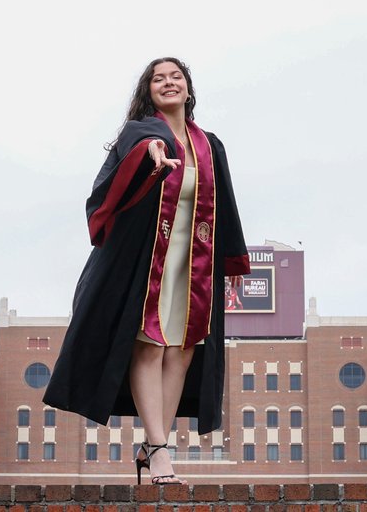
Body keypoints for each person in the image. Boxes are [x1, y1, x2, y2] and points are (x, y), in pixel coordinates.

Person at [44, 57, 250, 484]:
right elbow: (132, 162)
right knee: (150, 345)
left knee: (184, 348)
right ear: (149, 91)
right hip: (145, 258)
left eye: (176, 77)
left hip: (193, 261)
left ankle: (154, 445)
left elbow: (225, 204)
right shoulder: (140, 133)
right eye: (159, 78)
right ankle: (159, 452)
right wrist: (150, 154)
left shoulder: (210, 145)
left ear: (189, 90)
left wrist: (231, 261)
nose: (169, 83)